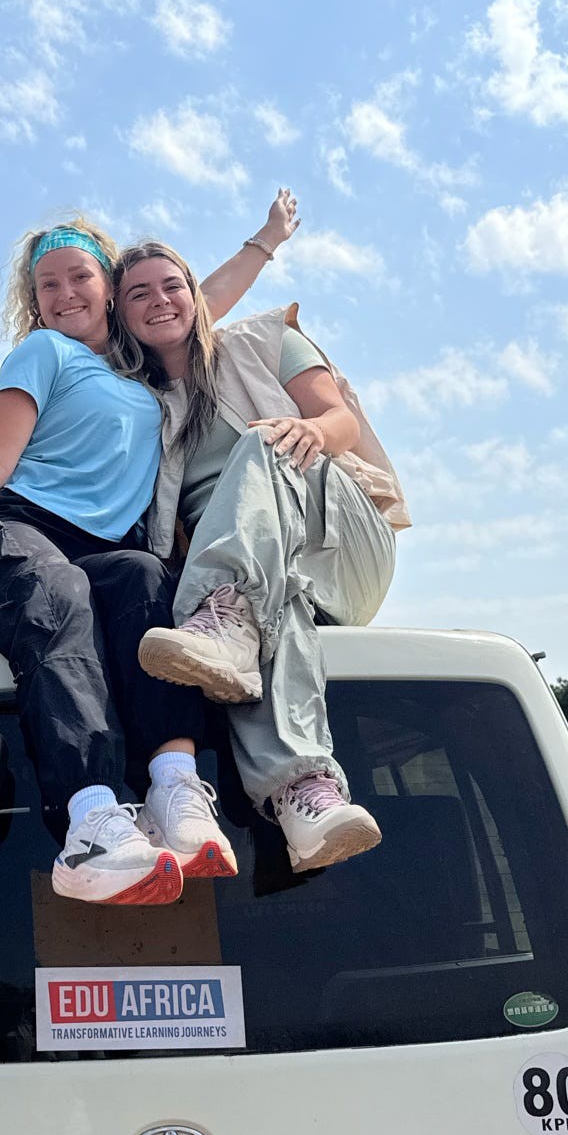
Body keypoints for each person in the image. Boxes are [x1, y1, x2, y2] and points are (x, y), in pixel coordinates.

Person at [0, 205, 295, 904]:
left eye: (79, 276)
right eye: (46, 285)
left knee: (149, 581)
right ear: (34, 302)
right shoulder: (40, 354)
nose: (64, 294)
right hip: (8, 531)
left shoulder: (141, 368)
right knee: (59, 596)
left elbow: (201, 300)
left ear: (109, 287)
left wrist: (265, 242)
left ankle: (175, 790)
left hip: (98, 551)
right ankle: (91, 821)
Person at [114, 228, 410, 872]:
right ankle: (306, 799)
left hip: (343, 541)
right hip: (278, 584)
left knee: (262, 443)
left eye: (173, 286)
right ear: (121, 315)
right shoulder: (137, 408)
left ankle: (225, 612)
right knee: (278, 612)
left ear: (196, 295)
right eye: (138, 293)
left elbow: (341, 422)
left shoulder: (264, 340)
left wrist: (309, 429)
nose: (160, 300)